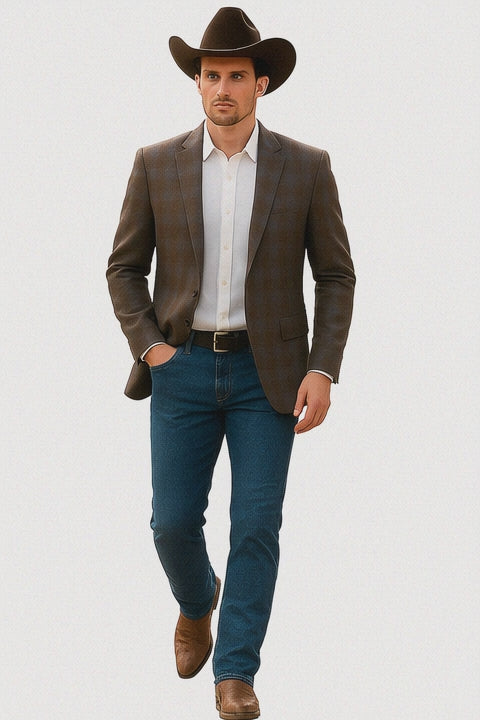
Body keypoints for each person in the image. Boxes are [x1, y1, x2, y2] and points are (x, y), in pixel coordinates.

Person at [107, 7, 355, 719]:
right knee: (171, 524)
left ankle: (235, 673)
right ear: (198, 82)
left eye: (237, 76)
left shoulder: (306, 167)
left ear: (260, 84)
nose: (223, 87)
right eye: (211, 75)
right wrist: (151, 347)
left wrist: (323, 367)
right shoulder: (156, 163)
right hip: (181, 368)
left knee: (256, 524)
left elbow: (335, 274)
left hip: (266, 376)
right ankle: (197, 601)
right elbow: (123, 268)